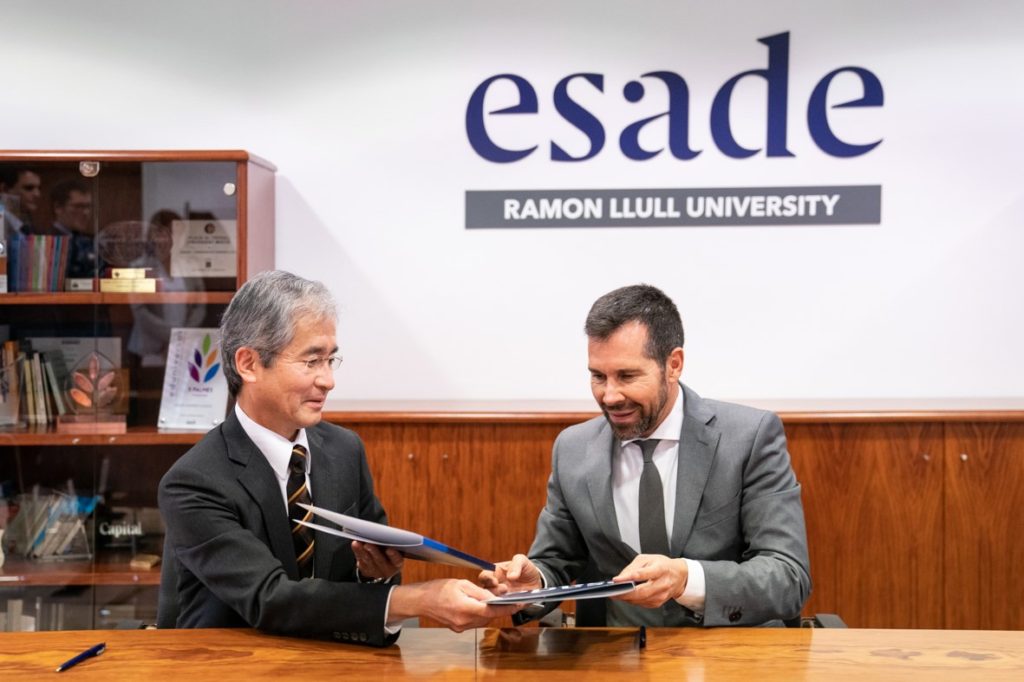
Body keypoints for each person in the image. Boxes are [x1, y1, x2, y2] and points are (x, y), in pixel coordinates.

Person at [158, 270, 519, 645]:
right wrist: (419, 600)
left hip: (335, 662)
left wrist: (374, 575)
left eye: (331, 360)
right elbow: (270, 598)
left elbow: (373, 579)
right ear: (248, 364)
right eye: (311, 362)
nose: (328, 380)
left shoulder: (344, 450)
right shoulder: (193, 481)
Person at [481, 284, 811, 627]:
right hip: (617, 660)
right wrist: (534, 585)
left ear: (674, 364)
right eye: (598, 376)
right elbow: (556, 562)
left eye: (627, 376)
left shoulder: (749, 437)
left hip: (728, 655)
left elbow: (788, 576)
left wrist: (686, 579)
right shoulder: (573, 449)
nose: (609, 396)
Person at [49, 178, 99, 278]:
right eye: (78, 206)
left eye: (88, 207)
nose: (86, 213)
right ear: (58, 207)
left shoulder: (91, 242)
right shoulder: (44, 240)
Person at [0, 165, 42, 237]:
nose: (37, 194)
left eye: (39, 188)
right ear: (5, 189)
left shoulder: (27, 225)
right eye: (29, 188)